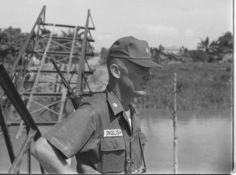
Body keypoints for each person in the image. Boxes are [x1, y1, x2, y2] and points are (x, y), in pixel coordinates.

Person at [32, 36, 162, 174]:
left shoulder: (132, 115)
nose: (149, 77)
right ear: (116, 71)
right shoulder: (94, 112)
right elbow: (42, 149)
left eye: (149, 70)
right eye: (141, 69)